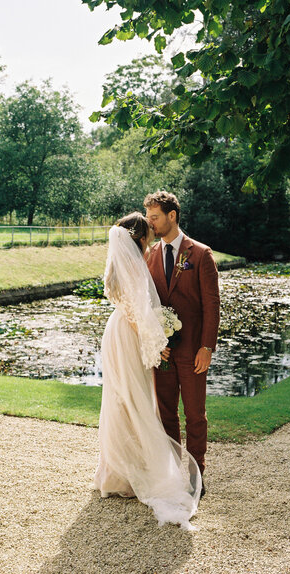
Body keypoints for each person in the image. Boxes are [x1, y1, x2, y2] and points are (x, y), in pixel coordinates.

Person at [94, 212, 202, 530]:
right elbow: (134, 312)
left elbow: (125, 306)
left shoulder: (116, 266)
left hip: (113, 333)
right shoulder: (134, 266)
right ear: (139, 238)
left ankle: (113, 474)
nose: (151, 243)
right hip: (128, 335)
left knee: (119, 399)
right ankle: (132, 475)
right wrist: (156, 340)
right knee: (136, 399)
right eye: (149, 238)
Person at [144, 192, 220, 496]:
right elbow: (147, 303)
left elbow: (211, 305)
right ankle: (173, 471)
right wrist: (152, 342)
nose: (150, 223)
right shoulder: (149, 254)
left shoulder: (200, 254)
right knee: (165, 413)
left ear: (172, 216)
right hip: (161, 352)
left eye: (155, 217)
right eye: (148, 217)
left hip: (193, 351)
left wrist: (207, 347)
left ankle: (196, 474)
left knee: (195, 414)